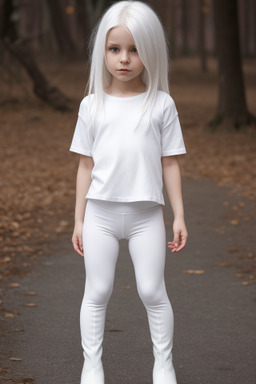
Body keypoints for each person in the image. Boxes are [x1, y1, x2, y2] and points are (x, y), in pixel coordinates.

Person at [70, 1, 188, 383]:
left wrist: (179, 216)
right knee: (97, 290)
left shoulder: (161, 104)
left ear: (150, 51)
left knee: (153, 291)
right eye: (115, 49)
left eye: (135, 49)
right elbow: (85, 165)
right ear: (102, 52)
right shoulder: (91, 106)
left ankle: (164, 364)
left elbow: (170, 163)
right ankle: (92, 365)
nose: (124, 59)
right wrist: (78, 219)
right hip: (100, 216)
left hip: (146, 216)